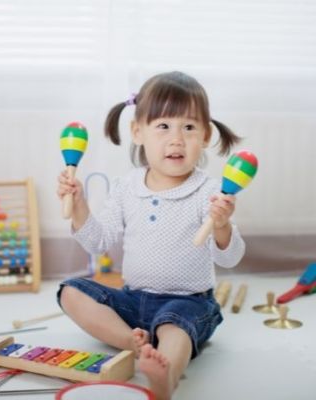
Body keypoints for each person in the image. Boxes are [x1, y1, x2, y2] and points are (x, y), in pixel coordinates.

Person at [56, 71, 245, 400]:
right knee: (71, 292)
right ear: (137, 131)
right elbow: (98, 241)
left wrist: (222, 225)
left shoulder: (210, 192)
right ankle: (134, 342)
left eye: (188, 127)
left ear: (204, 136)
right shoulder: (126, 187)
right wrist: (80, 205)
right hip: (133, 301)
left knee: (175, 326)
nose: (176, 139)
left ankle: (166, 376)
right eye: (163, 126)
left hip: (188, 302)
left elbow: (229, 258)